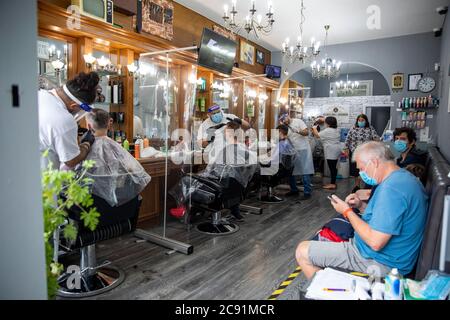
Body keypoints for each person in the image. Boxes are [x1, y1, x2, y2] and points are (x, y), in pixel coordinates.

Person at [296, 141, 428, 279]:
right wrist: (360, 206)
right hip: (390, 255)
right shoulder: (402, 178)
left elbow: (375, 242)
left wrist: (347, 211)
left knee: (302, 251)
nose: (360, 173)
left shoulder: (391, 190)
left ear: (374, 162)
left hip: (380, 261)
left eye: (362, 168)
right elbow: (386, 219)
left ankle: (326, 293)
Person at [84, 109, 151, 207]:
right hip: (118, 205)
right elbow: (134, 171)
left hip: (95, 206)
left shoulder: (85, 149)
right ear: (109, 124)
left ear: (88, 126)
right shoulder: (116, 147)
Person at [38, 72, 100, 170]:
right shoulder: (64, 120)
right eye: (84, 109)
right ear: (73, 105)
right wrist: (86, 144)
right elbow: (71, 161)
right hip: (44, 179)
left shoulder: (39, 95)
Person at [280, 114, 314, 200]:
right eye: (283, 120)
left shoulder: (298, 121)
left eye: (285, 119)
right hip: (293, 151)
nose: (285, 121)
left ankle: (307, 192)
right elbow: (285, 137)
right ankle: (294, 190)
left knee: (304, 171)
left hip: (303, 149)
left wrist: (297, 131)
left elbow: (306, 132)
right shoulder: (285, 126)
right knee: (291, 170)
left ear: (288, 116)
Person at [311, 116, 342, 190]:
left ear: (328, 123)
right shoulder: (336, 129)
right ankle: (333, 183)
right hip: (336, 149)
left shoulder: (328, 130)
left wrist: (314, 128)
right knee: (334, 167)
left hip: (331, 151)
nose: (324, 123)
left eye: (325, 122)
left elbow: (317, 135)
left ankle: (332, 184)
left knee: (332, 168)